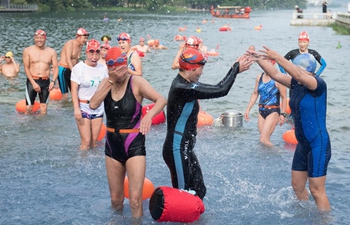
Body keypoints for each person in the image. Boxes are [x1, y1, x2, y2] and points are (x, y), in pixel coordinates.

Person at [248, 47, 331, 211]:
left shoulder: (317, 84)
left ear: (308, 71)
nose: (293, 75)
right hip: (303, 144)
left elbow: (298, 74)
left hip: (317, 143)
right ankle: (305, 216)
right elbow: (276, 75)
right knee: (297, 186)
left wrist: (277, 56)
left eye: (296, 70)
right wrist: (257, 58)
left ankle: (325, 221)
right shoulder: (297, 84)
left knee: (316, 190)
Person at [162, 48, 252, 200]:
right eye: (201, 69)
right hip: (176, 148)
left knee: (199, 190)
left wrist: (234, 67)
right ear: (192, 68)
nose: (202, 73)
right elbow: (221, 90)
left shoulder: (188, 84)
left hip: (185, 148)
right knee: (183, 196)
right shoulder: (181, 87)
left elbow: (217, 87)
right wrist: (235, 69)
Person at [89, 47, 166, 218]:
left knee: (135, 201)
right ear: (108, 69)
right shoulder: (106, 83)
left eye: (121, 67)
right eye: (113, 69)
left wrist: (149, 117)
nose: (118, 72)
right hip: (112, 144)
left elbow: (161, 100)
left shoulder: (136, 82)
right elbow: (93, 104)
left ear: (125, 66)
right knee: (116, 200)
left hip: (134, 143)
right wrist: (110, 80)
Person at [70, 39, 108, 150]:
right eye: (91, 53)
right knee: (86, 141)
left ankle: (94, 166)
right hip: (83, 107)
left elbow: (107, 87)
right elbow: (74, 90)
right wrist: (76, 108)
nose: (94, 57)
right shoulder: (79, 68)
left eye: (97, 53)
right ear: (86, 53)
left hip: (98, 107)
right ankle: (80, 164)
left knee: (94, 142)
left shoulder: (103, 68)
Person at [244, 56, 287, 146]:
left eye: (268, 62)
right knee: (263, 140)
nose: (266, 65)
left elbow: (284, 96)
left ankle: (279, 154)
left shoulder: (278, 78)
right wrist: (248, 109)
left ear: (273, 63)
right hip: (261, 111)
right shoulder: (259, 77)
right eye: (264, 63)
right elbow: (255, 93)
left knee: (264, 139)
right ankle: (268, 158)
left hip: (273, 111)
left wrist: (283, 114)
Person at [22, 29, 58, 115]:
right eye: (37, 38)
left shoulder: (51, 52)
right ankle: (27, 126)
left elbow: (56, 68)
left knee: (44, 108)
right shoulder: (28, 51)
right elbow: (26, 68)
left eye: (41, 38)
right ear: (34, 38)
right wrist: (34, 83)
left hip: (45, 81)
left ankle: (42, 128)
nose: (39, 40)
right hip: (32, 81)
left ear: (45, 39)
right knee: (29, 107)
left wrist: (53, 81)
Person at [58, 28, 89, 100]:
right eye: (84, 38)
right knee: (65, 96)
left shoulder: (80, 46)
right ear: (78, 36)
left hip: (72, 70)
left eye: (86, 38)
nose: (85, 40)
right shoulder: (70, 43)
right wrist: (74, 71)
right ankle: (62, 109)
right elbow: (68, 59)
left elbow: (76, 60)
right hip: (63, 70)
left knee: (75, 93)